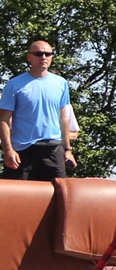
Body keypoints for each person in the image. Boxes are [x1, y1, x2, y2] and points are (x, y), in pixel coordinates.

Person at [0, 40, 78, 180]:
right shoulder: (14, 85)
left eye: (47, 54)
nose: (43, 57)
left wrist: (67, 150)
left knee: (57, 196)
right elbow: (4, 120)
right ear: (29, 57)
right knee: (18, 197)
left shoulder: (61, 83)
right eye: (38, 54)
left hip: (53, 149)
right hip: (23, 150)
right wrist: (8, 150)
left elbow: (63, 118)